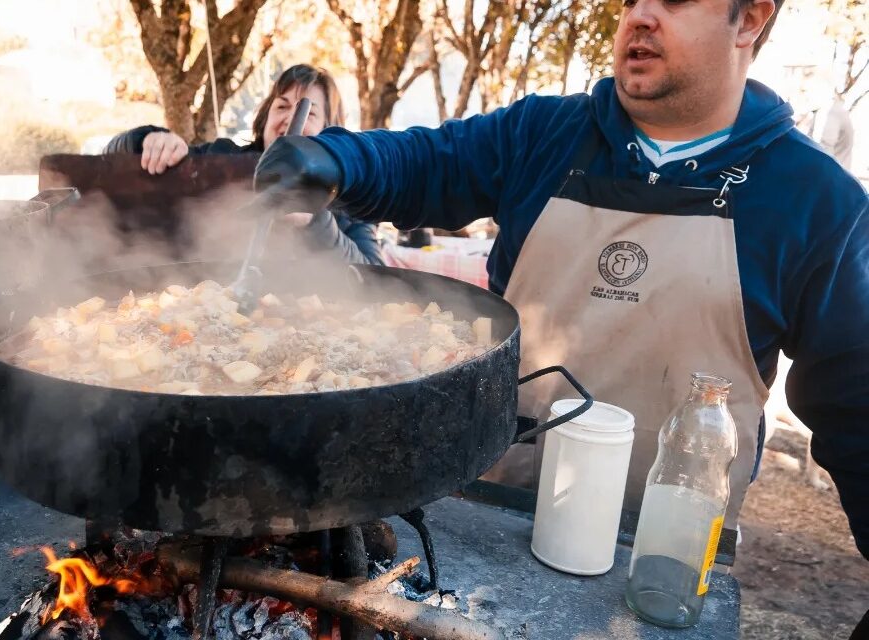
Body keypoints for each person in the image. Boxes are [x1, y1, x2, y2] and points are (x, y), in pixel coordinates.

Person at [253, 0, 869, 578]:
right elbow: (427, 162)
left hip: (660, 549)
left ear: (750, 19)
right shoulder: (545, 133)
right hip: (490, 506)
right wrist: (332, 160)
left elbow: (856, 402)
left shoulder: (814, 199)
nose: (641, 17)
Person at [104, 64, 383, 266]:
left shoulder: (351, 196)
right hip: (199, 310)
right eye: (282, 106)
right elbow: (108, 162)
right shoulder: (221, 159)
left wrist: (314, 223)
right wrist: (145, 140)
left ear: (328, 128)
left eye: (306, 112)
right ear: (265, 118)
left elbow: (375, 276)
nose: (289, 119)